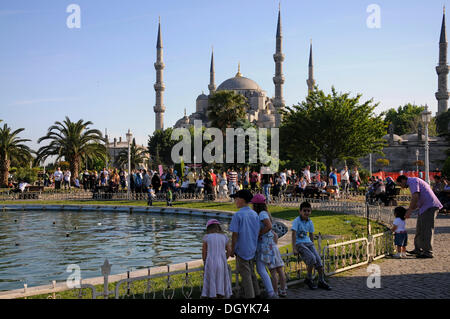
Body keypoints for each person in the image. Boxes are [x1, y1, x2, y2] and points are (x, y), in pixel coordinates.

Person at [396, 175, 443, 258]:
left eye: (400, 185)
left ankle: (428, 252)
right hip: (424, 207)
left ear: (403, 180)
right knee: (420, 229)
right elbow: (416, 201)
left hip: (429, 207)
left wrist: (410, 210)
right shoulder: (413, 182)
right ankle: (418, 249)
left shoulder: (413, 181)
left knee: (426, 230)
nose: (402, 187)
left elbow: (415, 196)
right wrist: (409, 209)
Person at [251, 194, 286, 298]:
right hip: (267, 244)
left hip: (264, 245)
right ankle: (275, 291)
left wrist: (260, 233)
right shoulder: (265, 213)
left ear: (256, 205)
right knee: (264, 269)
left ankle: (272, 292)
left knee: (262, 269)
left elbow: (269, 226)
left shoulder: (262, 214)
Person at [291, 202, 331, 290]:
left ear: (311, 212)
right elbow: (293, 234)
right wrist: (294, 248)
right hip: (299, 243)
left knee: (318, 261)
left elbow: (311, 234)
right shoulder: (296, 221)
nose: (306, 212)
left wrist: (312, 245)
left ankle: (321, 280)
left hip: (308, 243)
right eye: (304, 211)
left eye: (308, 211)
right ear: (300, 211)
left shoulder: (310, 221)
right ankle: (309, 278)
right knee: (312, 258)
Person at [229, 190, 261, 299]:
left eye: (236, 199)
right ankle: (257, 292)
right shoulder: (254, 214)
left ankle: (250, 295)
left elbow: (235, 235)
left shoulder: (237, 215)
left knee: (245, 274)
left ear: (241, 199)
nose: (235, 201)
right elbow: (257, 231)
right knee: (251, 271)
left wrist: (232, 249)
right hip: (252, 247)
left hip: (241, 249)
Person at [201, 219, 233, 299]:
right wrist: (224, 258)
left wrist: (205, 261)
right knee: (221, 280)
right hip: (222, 262)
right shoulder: (224, 237)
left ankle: (213, 295)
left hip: (211, 262)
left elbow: (204, 252)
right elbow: (229, 250)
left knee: (212, 279)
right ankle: (221, 294)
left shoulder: (207, 237)